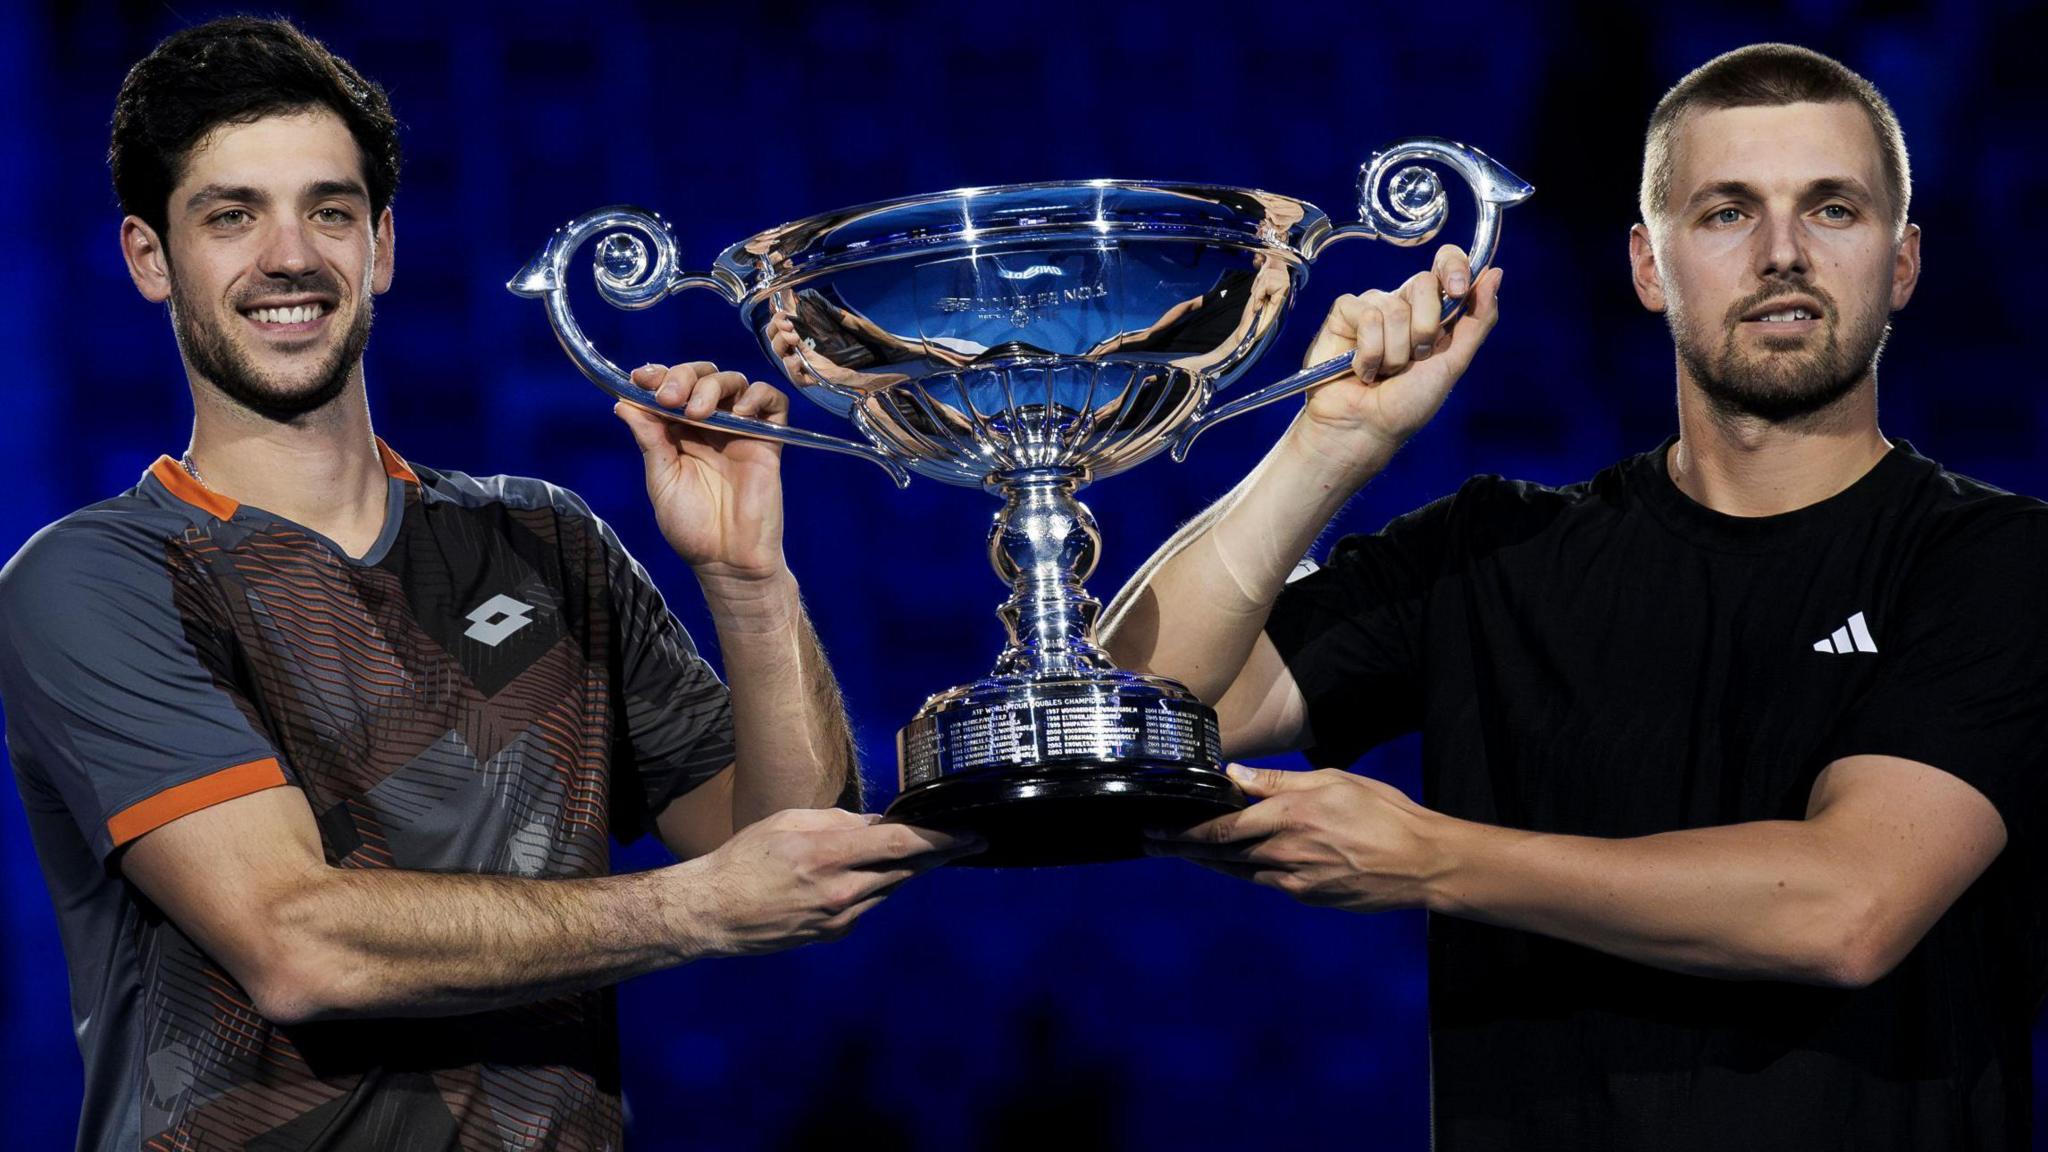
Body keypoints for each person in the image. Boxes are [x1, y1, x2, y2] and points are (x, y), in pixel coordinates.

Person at [0, 16, 973, 1149]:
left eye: (330, 210)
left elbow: (791, 850)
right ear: (149, 259)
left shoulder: (544, 538)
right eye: (231, 216)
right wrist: (688, 909)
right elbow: (297, 945)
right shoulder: (95, 579)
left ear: (384, 246)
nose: (289, 257)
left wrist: (747, 576)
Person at [1107, 43, 2048, 1150]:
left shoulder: (1993, 561)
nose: (1782, 254)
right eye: (1725, 213)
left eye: (1831, 210)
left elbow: (1846, 909)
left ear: (1900, 263)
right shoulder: (1488, 552)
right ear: (1649, 267)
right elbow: (1128, 715)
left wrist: (1434, 858)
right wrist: (1326, 448)